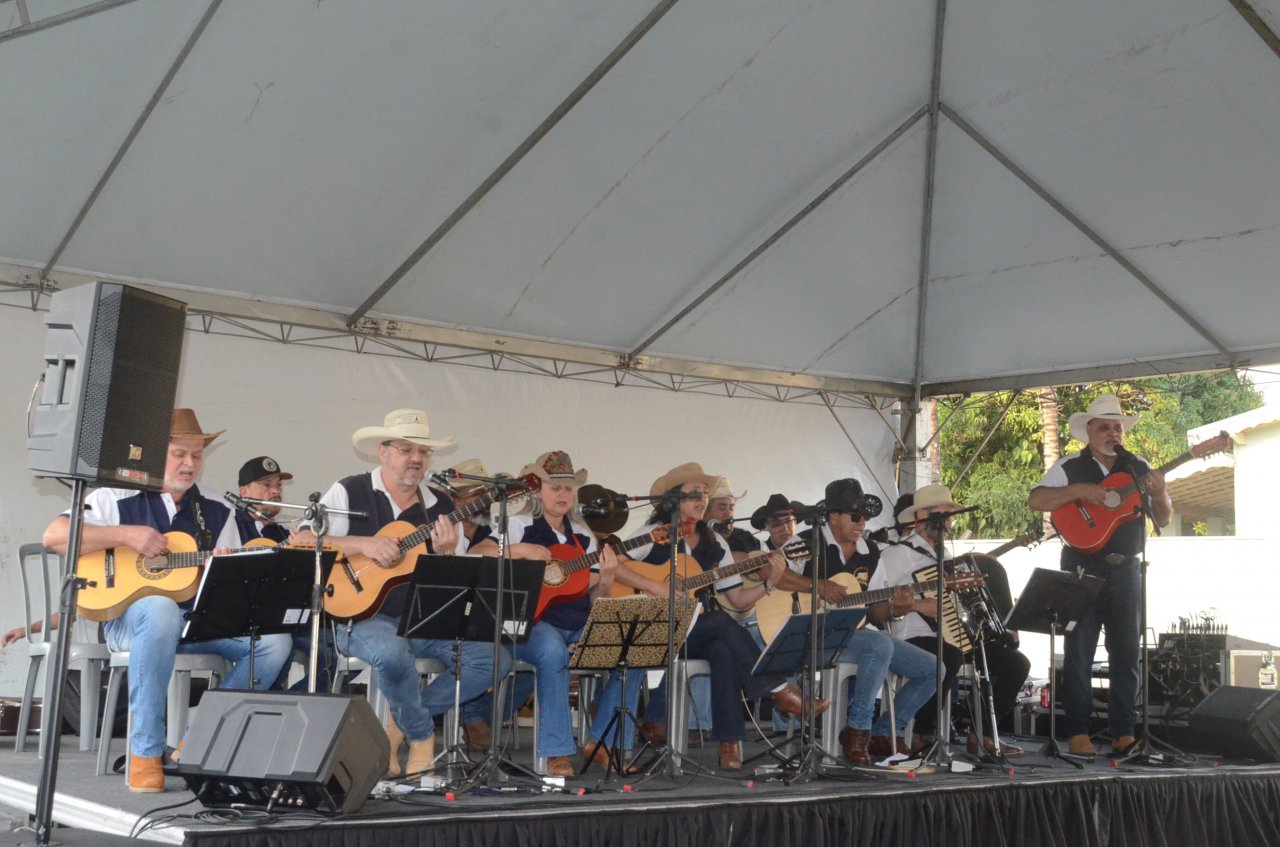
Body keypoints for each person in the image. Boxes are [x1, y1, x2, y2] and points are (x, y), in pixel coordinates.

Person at [41, 409, 293, 793]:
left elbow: (228, 580)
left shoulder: (215, 508)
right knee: (159, 609)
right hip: (130, 621)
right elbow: (55, 536)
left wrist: (224, 570)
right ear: (157, 453)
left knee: (276, 644)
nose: (189, 463)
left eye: (196, 455)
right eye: (179, 454)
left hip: (194, 620)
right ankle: (145, 752)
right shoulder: (114, 494)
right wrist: (126, 536)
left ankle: (200, 739)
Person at [296, 409, 509, 777]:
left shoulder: (439, 504)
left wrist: (444, 553)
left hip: (421, 617)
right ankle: (423, 737)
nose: (416, 458)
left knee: (494, 659)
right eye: (406, 449)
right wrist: (366, 543)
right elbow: (300, 540)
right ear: (383, 452)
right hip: (359, 616)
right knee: (392, 655)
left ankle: (397, 727)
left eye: (423, 452)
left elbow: (450, 581)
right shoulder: (349, 490)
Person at [631, 463, 828, 770]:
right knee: (721, 624)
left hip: (693, 634)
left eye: (705, 493)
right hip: (654, 630)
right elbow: (612, 564)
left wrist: (769, 583)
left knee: (723, 645)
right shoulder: (653, 535)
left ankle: (729, 746)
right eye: (693, 493)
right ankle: (780, 691)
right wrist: (656, 587)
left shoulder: (715, 542)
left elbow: (737, 599)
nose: (701, 499)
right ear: (674, 500)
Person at [468, 451, 635, 777]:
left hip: (576, 620)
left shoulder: (584, 536)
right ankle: (556, 751)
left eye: (568, 488)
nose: (562, 495)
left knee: (633, 648)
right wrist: (521, 550)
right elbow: (478, 552)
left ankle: (602, 742)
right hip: (531, 622)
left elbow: (596, 597)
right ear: (537, 490)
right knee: (551, 650)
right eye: (554, 487)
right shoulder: (518, 525)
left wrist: (609, 579)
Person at [1027, 394, 1170, 758]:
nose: (1111, 432)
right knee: (1080, 652)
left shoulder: (1138, 467)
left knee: (1126, 653)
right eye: (1104, 427)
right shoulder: (1070, 465)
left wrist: (1161, 491)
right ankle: (1078, 731)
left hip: (1128, 570)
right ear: (1088, 432)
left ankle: (1124, 732)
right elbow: (1037, 500)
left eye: (1117, 426)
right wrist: (1081, 491)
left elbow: (1164, 518)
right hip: (1081, 567)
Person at [869, 484, 1031, 756]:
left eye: (949, 515)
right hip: (911, 637)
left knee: (1015, 662)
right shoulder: (895, 555)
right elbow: (876, 604)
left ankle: (982, 735)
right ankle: (922, 732)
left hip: (953, 635)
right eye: (940, 515)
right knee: (949, 656)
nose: (947, 522)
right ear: (921, 515)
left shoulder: (946, 556)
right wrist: (919, 605)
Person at [790, 479, 938, 763]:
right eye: (855, 516)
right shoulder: (807, 542)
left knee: (933, 668)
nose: (862, 523)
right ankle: (859, 730)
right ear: (833, 516)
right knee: (879, 645)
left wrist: (897, 609)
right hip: (808, 631)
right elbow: (773, 575)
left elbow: (875, 611)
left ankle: (882, 733)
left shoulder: (870, 553)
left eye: (866, 517)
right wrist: (817, 586)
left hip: (852, 636)